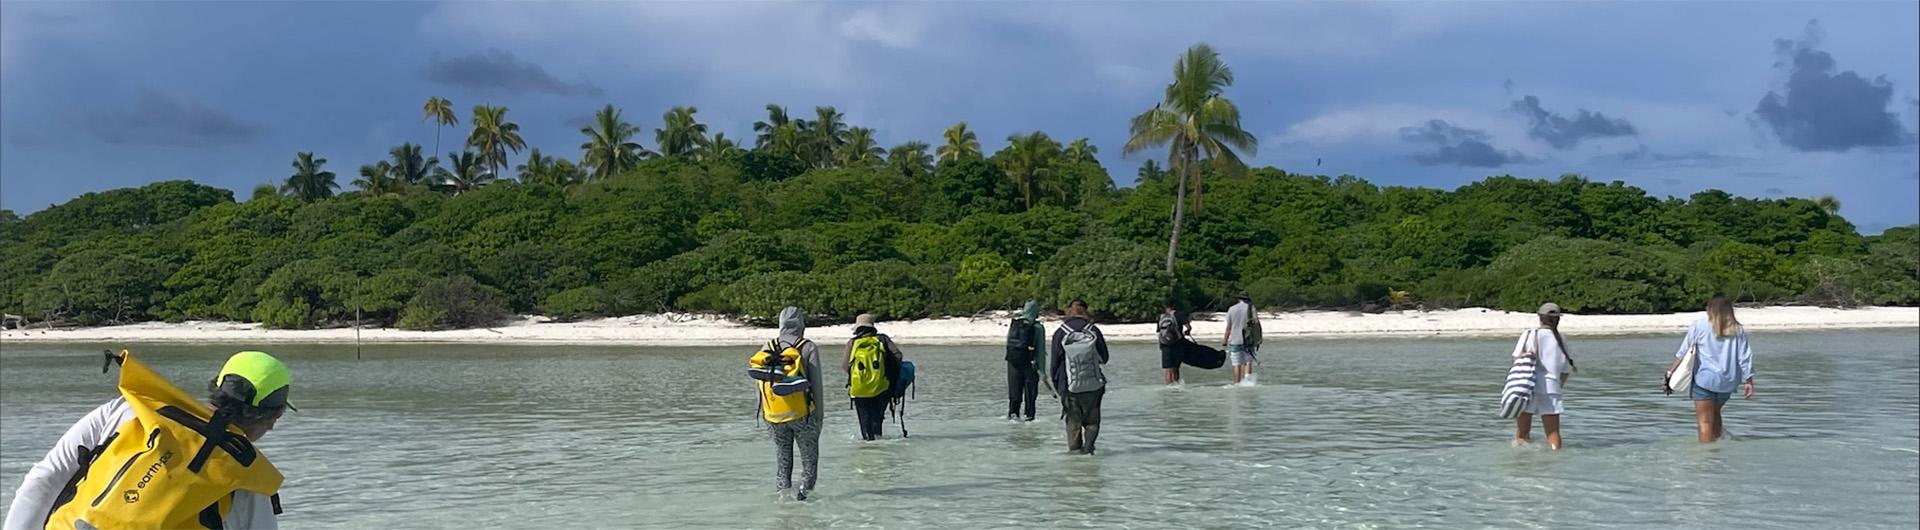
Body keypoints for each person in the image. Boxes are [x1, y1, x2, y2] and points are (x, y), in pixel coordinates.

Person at [6, 350, 293, 530]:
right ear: (273, 417)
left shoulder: (126, 411)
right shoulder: (247, 477)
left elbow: (44, 480)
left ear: (215, 388)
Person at [747, 306, 826, 500]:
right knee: (809, 462)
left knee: (782, 462)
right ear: (801, 324)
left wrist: (764, 414)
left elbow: (759, 385)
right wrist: (818, 416)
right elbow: (816, 385)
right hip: (803, 415)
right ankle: (804, 498)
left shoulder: (767, 346)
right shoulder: (807, 347)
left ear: (781, 324)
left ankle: (783, 500)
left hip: (773, 414)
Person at [1666, 296, 1755, 444]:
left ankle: (1707, 455)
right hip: (1728, 381)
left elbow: (1683, 351)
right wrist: (1749, 380)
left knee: (1705, 422)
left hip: (1704, 379)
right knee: (1715, 413)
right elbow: (1745, 356)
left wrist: (1670, 373)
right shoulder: (1737, 329)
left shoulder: (1699, 325)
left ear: (1709, 309)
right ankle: (1718, 447)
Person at [1511, 303, 1576, 450]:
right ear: (1558, 319)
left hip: (1527, 387)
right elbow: (1566, 370)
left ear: (1540, 317)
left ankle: (1521, 460)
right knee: (1553, 434)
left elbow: (1516, 359)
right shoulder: (1561, 339)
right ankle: (1555, 460)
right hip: (1552, 389)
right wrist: (1557, 386)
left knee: (1522, 435)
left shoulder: (1529, 334)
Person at [1050, 299, 1110, 455]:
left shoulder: (1061, 332)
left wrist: (1058, 388)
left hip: (1068, 386)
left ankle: (1076, 457)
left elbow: (1054, 364)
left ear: (1069, 310)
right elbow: (1104, 358)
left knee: (1073, 424)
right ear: (1085, 311)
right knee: (1092, 422)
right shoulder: (1093, 330)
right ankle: (1089, 450)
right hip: (1093, 385)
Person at [845, 313, 904, 441]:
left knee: (864, 420)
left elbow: (845, 366)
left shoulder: (852, 343)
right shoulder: (883, 339)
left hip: (859, 388)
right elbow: (898, 356)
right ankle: (878, 441)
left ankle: (867, 443)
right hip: (882, 386)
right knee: (877, 418)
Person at [1004, 300, 1046, 421]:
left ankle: (1012, 416)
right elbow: (1040, 352)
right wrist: (1043, 372)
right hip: (1030, 365)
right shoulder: (1038, 327)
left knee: (1014, 397)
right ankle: (1029, 418)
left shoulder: (1015, 324)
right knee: (1030, 397)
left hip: (1012, 363)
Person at [1222, 292, 1261, 385]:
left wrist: (1225, 341)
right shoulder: (1251, 308)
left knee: (1236, 364)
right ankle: (1248, 382)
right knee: (1248, 362)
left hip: (1235, 340)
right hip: (1248, 340)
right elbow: (1256, 324)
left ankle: (1237, 384)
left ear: (1238, 299)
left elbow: (1228, 328)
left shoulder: (1232, 309)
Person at [1157, 301, 1191, 385]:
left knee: (1168, 369)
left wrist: (1161, 345)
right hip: (1178, 344)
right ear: (1174, 305)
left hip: (1165, 345)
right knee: (1176, 367)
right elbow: (1188, 327)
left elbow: (1159, 332)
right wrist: (1187, 332)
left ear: (1165, 306)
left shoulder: (1162, 317)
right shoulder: (1180, 314)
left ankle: (1169, 386)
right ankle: (1177, 386)